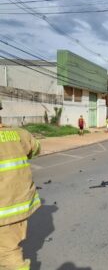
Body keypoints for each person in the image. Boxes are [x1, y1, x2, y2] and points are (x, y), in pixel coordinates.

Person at [0, 103, 41, 270]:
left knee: (8, 257)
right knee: (8, 252)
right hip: (14, 207)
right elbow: (36, 149)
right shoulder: (19, 134)